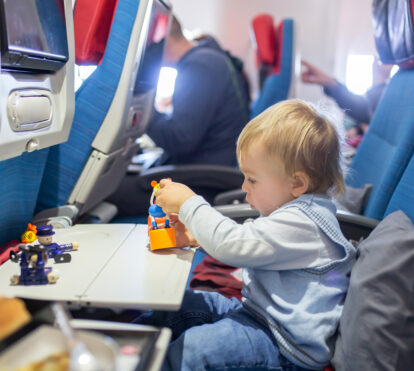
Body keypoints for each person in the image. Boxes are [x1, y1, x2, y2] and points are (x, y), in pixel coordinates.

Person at [142, 99, 357, 370]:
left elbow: (235, 245)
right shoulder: (296, 212)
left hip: (284, 346)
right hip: (259, 315)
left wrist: (189, 204)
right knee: (183, 305)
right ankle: (129, 347)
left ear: (297, 183)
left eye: (252, 179)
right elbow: (254, 243)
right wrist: (193, 238)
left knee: (197, 349)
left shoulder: (304, 223)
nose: (244, 187)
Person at [145, 16, 250, 166]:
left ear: (163, 41)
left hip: (204, 174)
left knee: (121, 187)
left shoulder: (198, 67)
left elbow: (180, 140)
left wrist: (145, 116)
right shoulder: (205, 58)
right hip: (207, 163)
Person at [301, 59, 392, 145]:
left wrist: (379, 81)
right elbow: (363, 109)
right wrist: (331, 83)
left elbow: (373, 115)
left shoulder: (396, 90)